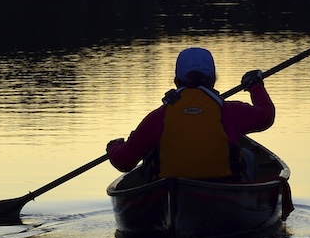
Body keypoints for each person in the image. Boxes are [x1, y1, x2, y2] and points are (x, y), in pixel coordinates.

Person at [106, 46, 274, 181]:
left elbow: (124, 162)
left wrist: (114, 146)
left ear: (176, 81)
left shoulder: (159, 117)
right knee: (248, 156)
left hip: (171, 187)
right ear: (213, 80)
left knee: (151, 156)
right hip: (224, 187)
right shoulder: (230, 112)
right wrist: (255, 85)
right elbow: (266, 116)